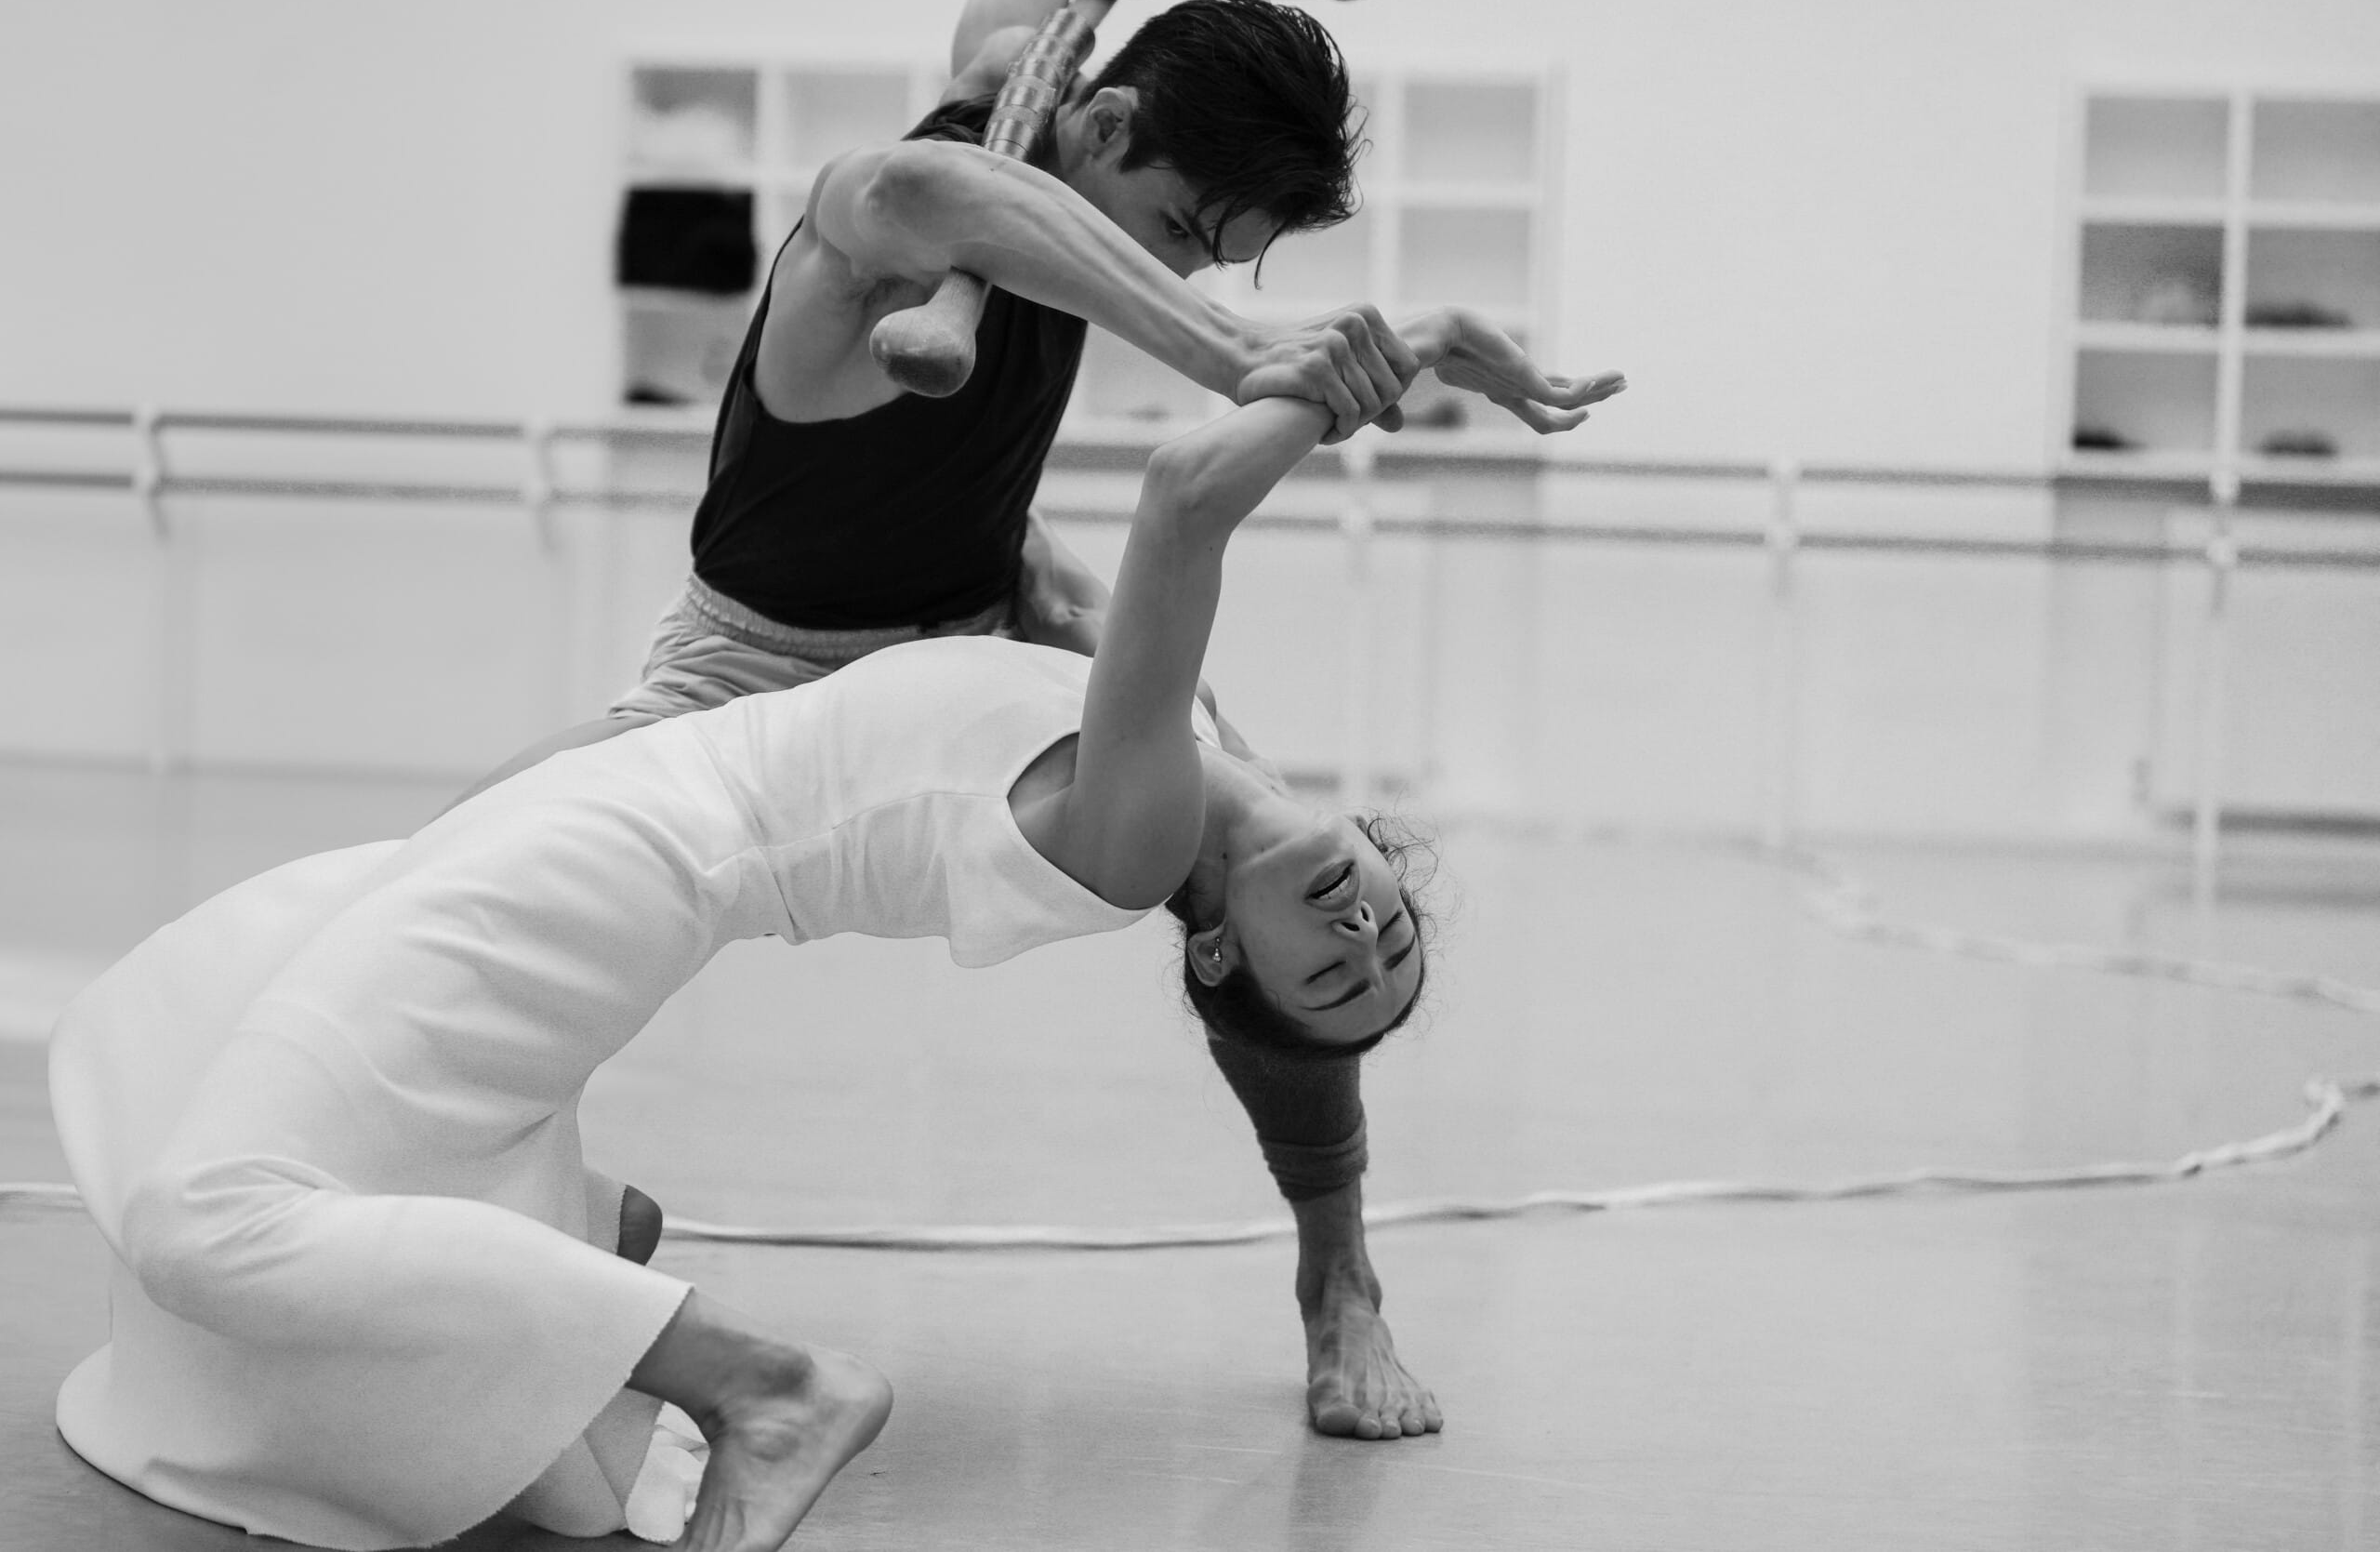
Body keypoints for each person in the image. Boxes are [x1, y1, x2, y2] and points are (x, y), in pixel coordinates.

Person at [49, 309, 1621, 1551]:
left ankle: (770, 1389)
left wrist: (1417, 344)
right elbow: (1011, 548)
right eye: (1395, 925)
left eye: (1337, 968)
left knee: (214, 1217)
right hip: (623, 812)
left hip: (632, 847)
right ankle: (568, 1221)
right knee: (235, 987)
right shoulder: (1201, 736)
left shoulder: (1143, 831)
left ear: (1221, 956)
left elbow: (1184, 497)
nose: (1369, 926)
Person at [457, 0, 1558, 1446]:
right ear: (1098, 124)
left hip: (988, 607)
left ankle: (1337, 1277)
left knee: (1244, 840)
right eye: (1181, 236)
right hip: (762, 668)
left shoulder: (1033, 107)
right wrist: (1247, 353)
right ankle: (515, 1212)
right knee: (458, 886)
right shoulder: (944, 193)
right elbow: (918, 190)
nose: (1182, 278)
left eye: (1214, 269)